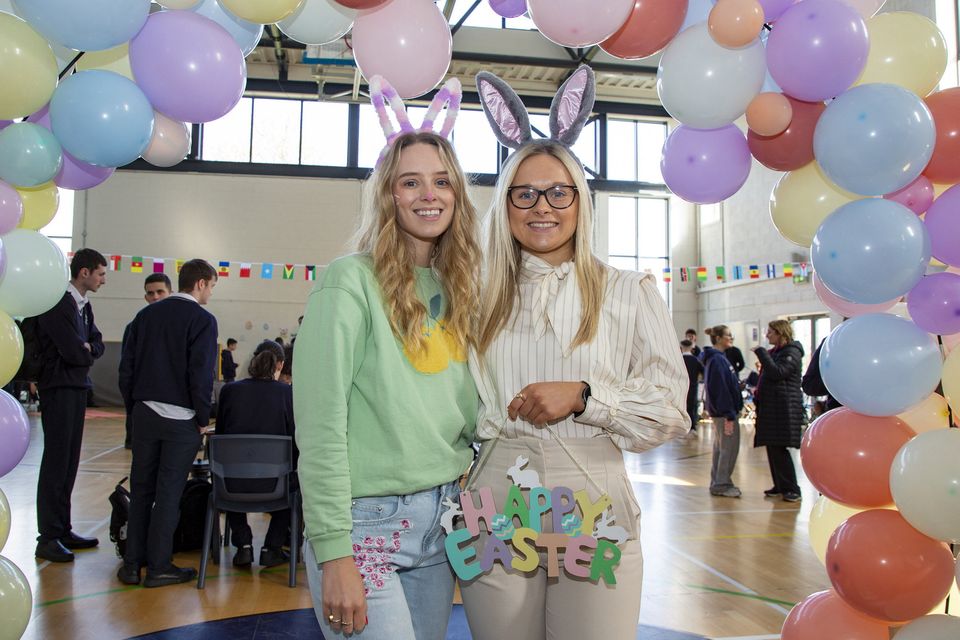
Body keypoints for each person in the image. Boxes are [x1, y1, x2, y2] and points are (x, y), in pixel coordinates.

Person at [462, 66, 689, 640]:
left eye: (560, 191)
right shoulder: (473, 294)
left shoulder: (628, 292)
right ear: (506, 201)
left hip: (593, 494)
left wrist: (587, 399)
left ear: (581, 200)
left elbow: (669, 412)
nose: (544, 206)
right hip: (497, 492)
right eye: (526, 192)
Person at [293, 75, 480, 639]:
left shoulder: (463, 286)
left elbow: (467, 415)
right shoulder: (349, 280)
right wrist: (334, 552)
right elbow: (320, 425)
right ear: (388, 194)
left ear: (458, 194)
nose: (429, 194)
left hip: (442, 523)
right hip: (365, 524)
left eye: (442, 181)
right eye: (411, 182)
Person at [117, 259, 219, 587]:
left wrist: (134, 408)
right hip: (181, 420)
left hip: (144, 413)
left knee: (142, 489)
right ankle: (160, 565)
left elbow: (126, 369)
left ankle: (132, 564)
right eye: (212, 286)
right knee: (169, 493)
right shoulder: (202, 320)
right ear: (201, 283)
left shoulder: (144, 316)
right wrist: (203, 418)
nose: (211, 294)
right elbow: (200, 373)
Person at [34, 248, 107, 563]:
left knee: (70, 461)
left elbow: (97, 344)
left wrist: (87, 348)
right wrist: (85, 350)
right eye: (101, 274)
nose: (104, 280)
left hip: (76, 387)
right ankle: (47, 536)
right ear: (85, 272)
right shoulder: (58, 304)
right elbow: (75, 352)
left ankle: (62, 528)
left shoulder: (84, 305)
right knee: (56, 462)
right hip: (59, 388)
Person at [216, 340, 296, 568]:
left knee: (228, 470)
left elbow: (220, 436)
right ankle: (272, 547)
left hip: (231, 487)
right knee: (294, 482)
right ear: (280, 364)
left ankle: (243, 546)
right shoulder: (287, 394)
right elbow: (295, 441)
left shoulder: (229, 391)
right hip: (275, 487)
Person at [752, 320, 805, 502]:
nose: (767, 336)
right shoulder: (777, 353)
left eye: (771, 332)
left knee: (779, 448)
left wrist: (762, 354)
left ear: (780, 333)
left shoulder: (791, 352)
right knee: (772, 447)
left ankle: (792, 488)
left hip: (784, 408)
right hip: (773, 407)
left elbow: (778, 373)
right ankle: (781, 485)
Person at [121, 273, 173, 448]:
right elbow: (126, 368)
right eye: (150, 293)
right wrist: (131, 406)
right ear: (145, 297)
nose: (155, 297)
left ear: (170, 293)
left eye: (160, 291)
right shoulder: (135, 326)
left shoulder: (180, 324)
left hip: (174, 407)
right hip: (143, 405)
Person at [702, 325, 744, 498]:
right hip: (725, 414)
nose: (731, 338)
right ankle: (721, 483)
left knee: (722, 447)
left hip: (723, 412)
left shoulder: (719, 358)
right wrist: (729, 411)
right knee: (728, 448)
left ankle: (718, 481)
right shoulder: (717, 360)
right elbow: (720, 388)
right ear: (718, 338)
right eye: (728, 335)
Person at [681, 339, 703, 433]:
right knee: (691, 406)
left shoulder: (678, 359)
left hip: (680, 387)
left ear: (681, 347)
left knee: (681, 407)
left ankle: (680, 427)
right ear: (691, 348)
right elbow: (704, 372)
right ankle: (692, 426)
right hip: (692, 386)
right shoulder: (695, 360)